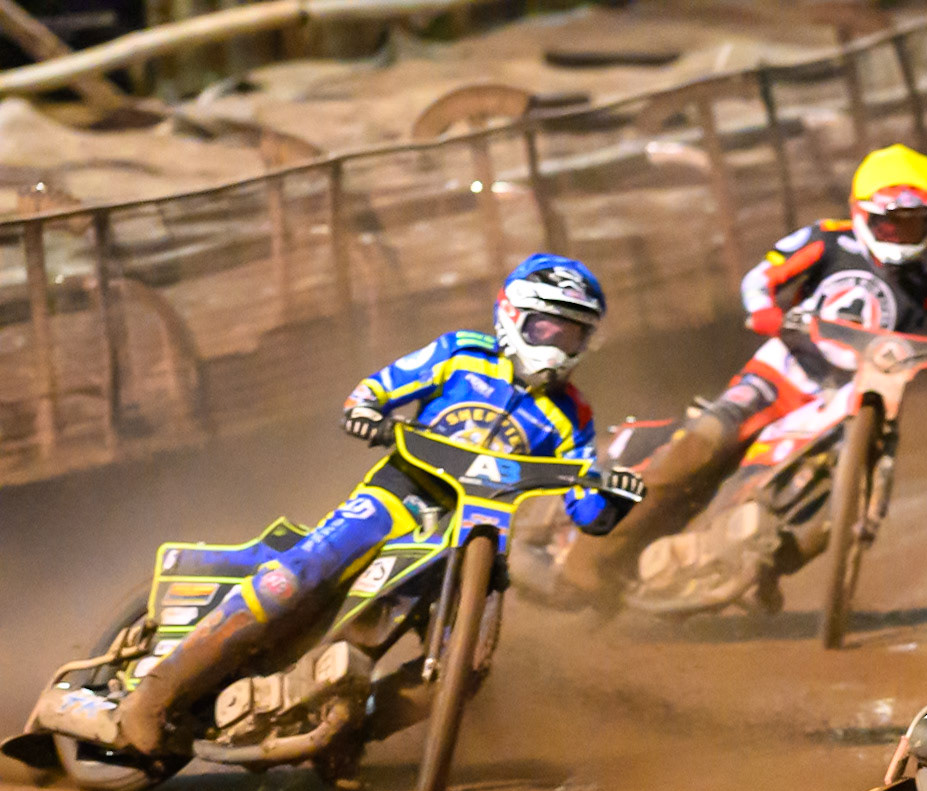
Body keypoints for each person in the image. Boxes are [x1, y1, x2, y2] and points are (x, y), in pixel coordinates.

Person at [43, 254, 645, 760]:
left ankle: (350, 732)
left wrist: (614, 501)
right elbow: (377, 388)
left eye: (574, 334)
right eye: (549, 328)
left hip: (480, 534)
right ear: (513, 317)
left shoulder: (575, 414)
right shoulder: (462, 353)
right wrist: (368, 412)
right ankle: (154, 696)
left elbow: (586, 506)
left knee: (469, 675)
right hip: (401, 496)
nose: (560, 346)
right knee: (303, 571)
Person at [557, 143, 927, 605]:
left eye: (914, 225)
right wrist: (764, 311)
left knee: (842, 508)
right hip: (779, 377)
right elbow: (762, 278)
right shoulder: (828, 241)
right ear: (863, 213)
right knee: (700, 447)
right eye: (891, 223)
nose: (901, 236)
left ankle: (758, 567)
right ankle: (591, 554)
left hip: (848, 402)